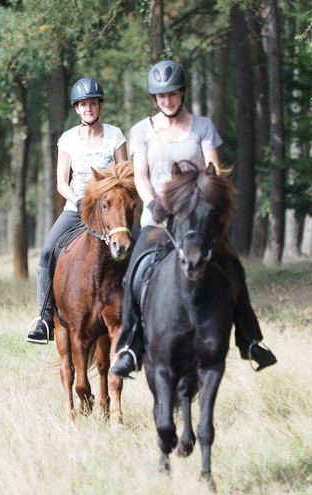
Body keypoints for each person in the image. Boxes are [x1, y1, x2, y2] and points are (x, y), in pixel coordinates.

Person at [109, 60, 277, 379]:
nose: (167, 101)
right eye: (161, 97)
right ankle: (130, 346)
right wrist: (154, 204)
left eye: (172, 95)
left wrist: (201, 205)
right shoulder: (141, 131)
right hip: (158, 218)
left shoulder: (202, 127)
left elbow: (212, 172)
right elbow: (141, 175)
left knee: (234, 269)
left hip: (197, 219)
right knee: (133, 274)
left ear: (183, 93)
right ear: (154, 99)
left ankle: (249, 340)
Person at [27, 77, 128, 344]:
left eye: (92, 103)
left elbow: (124, 175)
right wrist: (80, 201)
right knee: (48, 251)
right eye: (83, 105)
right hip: (77, 208)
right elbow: (61, 182)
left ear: (99, 106)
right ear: (77, 109)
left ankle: (139, 315)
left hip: (111, 210)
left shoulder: (115, 135)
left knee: (137, 248)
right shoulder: (68, 139)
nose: (88, 109)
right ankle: (44, 320)